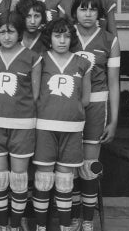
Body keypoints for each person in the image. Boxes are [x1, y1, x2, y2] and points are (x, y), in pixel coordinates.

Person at [0, 12, 41, 231]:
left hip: (23, 123)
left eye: (11, 31)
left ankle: (15, 225)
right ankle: (3, 224)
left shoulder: (33, 57)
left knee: (18, 177)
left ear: (20, 32)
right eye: (2, 32)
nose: (7, 36)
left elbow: (35, 95)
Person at [32, 18, 91, 231]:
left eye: (67, 36)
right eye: (58, 35)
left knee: (65, 181)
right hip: (45, 126)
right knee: (44, 179)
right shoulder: (41, 60)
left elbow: (85, 98)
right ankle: (40, 227)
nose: (62, 40)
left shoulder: (82, 62)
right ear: (49, 38)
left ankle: (65, 227)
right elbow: (35, 94)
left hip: (72, 127)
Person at [69, 0, 120, 231]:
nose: (87, 13)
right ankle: (74, 218)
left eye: (92, 9)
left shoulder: (110, 39)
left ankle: (88, 221)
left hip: (98, 107)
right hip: (69, 105)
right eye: (82, 9)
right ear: (74, 12)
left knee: (89, 165)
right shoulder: (67, 37)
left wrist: (114, 120)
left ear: (99, 13)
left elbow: (113, 83)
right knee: (70, 164)